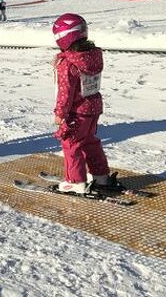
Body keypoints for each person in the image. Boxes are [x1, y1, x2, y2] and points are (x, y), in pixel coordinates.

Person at [51, 13, 110, 195]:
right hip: (93, 108)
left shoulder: (68, 64)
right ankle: (100, 175)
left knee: (71, 143)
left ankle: (75, 181)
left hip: (76, 111)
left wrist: (60, 113)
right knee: (89, 141)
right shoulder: (91, 55)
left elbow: (65, 92)